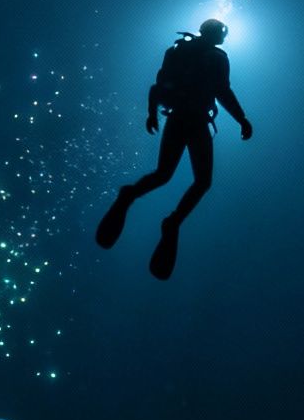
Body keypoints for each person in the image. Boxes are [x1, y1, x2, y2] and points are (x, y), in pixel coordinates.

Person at [95, 18, 253, 279]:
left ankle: (130, 195)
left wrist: (151, 113)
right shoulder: (217, 57)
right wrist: (242, 119)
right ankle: (173, 221)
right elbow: (223, 91)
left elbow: (157, 86)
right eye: (223, 33)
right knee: (202, 182)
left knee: (163, 174)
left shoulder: (177, 51)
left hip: (177, 118)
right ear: (216, 34)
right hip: (196, 122)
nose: (225, 38)